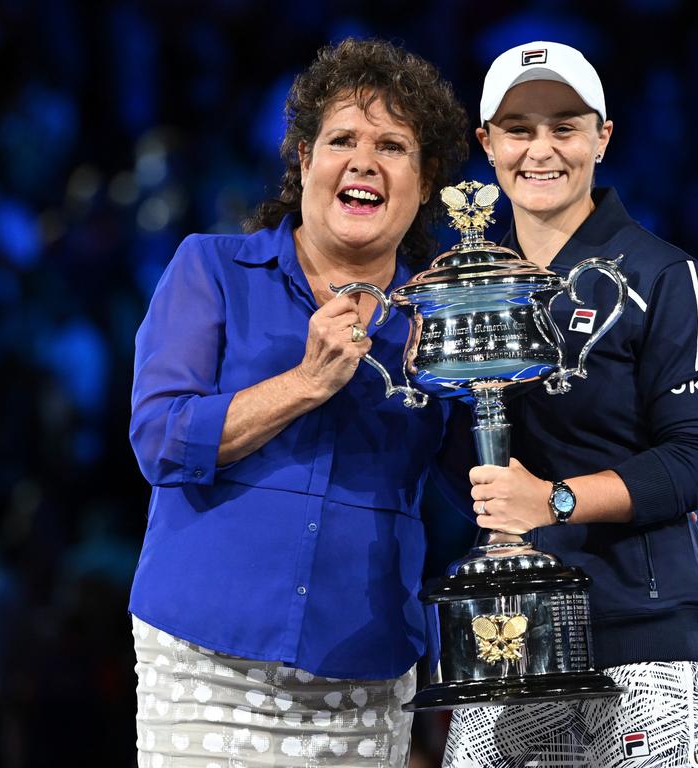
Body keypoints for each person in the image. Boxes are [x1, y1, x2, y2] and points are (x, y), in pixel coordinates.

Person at [127, 38, 468, 767]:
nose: (364, 160)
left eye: (394, 145)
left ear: (426, 177)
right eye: (342, 138)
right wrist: (306, 383)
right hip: (204, 662)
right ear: (305, 160)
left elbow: (478, 487)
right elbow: (160, 439)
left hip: (364, 673)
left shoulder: (438, 322)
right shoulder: (212, 270)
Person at [442, 42, 698, 767]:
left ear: (602, 138)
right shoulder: (460, 288)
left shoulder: (667, 277)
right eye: (519, 129)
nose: (541, 149)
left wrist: (554, 501)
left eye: (564, 127)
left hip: (644, 633)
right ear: (486, 145)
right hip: (507, 637)